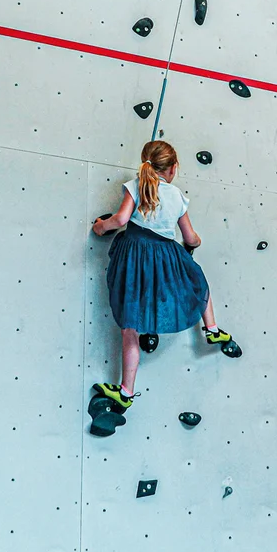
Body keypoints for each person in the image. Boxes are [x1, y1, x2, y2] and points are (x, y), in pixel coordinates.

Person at [89, 140, 235, 422]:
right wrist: (195, 242)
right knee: (196, 280)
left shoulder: (136, 186)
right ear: (174, 168)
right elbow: (190, 237)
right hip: (164, 255)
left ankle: (126, 392)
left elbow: (120, 220)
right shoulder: (177, 196)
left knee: (129, 325)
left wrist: (99, 226)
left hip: (133, 254)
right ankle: (213, 328)